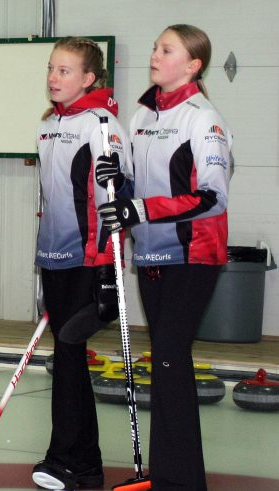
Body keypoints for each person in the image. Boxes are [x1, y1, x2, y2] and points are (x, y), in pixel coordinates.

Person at [97, 25, 232, 491]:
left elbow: (212, 196)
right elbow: (136, 188)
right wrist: (120, 181)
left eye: (166, 49)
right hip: (152, 252)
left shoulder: (203, 118)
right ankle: (169, 475)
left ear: (192, 65)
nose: (155, 54)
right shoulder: (140, 115)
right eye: (155, 46)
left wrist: (142, 207)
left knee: (172, 357)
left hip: (194, 254)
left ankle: (182, 481)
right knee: (166, 361)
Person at [31, 37, 132, 490]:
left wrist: (109, 270)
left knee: (70, 354)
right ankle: (78, 459)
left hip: (86, 261)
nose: (54, 77)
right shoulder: (48, 124)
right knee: (66, 357)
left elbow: (115, 199)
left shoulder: (102, 124)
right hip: (52, 258)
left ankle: (70, 459)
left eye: (65, 70)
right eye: (52, 69)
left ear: (89, 78)